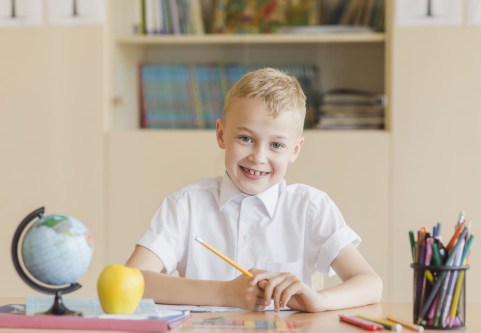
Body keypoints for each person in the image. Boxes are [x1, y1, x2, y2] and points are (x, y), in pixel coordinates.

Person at [125, 67, 383, 312]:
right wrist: (226, 293)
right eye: (246, 139)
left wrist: (318, 300)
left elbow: (370, 283)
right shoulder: (186, 204)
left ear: (295, 149)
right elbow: (132, 281)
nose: (258, 157)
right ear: (221, 134)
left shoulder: (310, 207)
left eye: (277, 145)